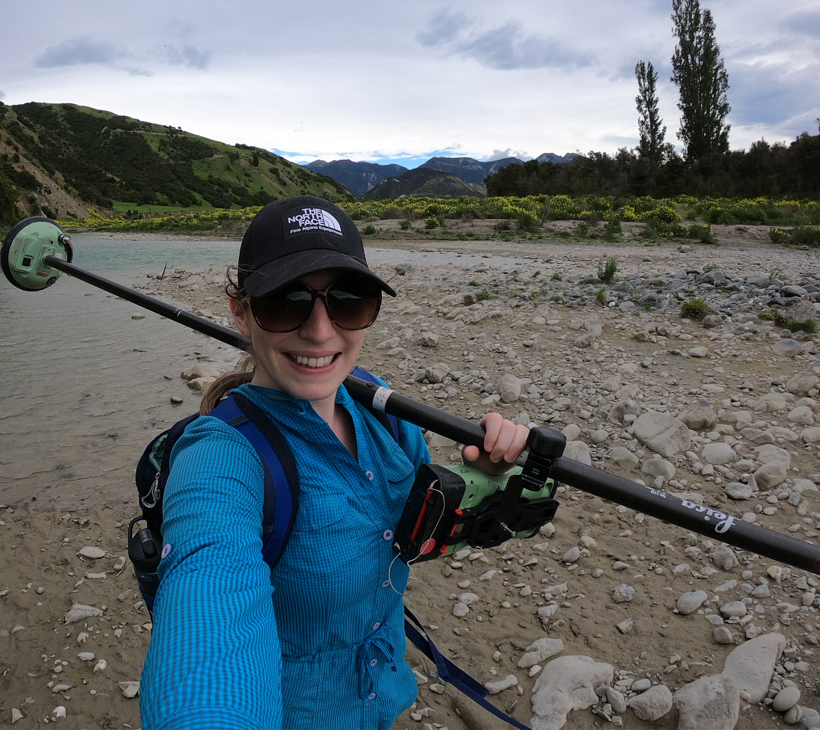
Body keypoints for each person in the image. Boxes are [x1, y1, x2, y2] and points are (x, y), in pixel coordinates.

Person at [140, 195, 530, 730]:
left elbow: (403, 538)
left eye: (348, 300)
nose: (321, 331)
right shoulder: (219, 458)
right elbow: (209, 604)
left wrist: (480, 482)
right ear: (241, 311)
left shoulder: (383, 411)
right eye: (285, 301)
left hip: (381, 699)